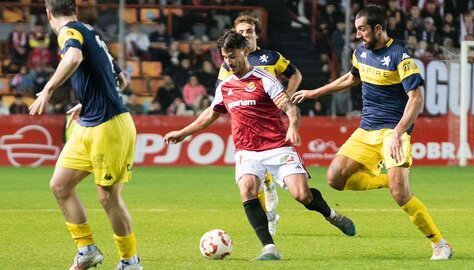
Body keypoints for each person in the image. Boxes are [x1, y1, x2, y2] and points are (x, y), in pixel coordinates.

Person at [164, 31, 356, 261]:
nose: (229, 62)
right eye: (225, 57)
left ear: (245, 52)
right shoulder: (225, 87)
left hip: (276, 145)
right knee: (247, 190)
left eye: (233, 56)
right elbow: (210, 114)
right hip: (247, 150)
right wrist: (183, 133)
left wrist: (293, 127)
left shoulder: (264, 79)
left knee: (302, 194)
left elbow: (290, 107)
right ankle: (269, 248)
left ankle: (331, 215)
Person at [291, 5, 452, 260]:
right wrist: (314, 92)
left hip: (393, 132)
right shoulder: (361, 53)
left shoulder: (400, 56)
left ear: (378, 28)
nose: (358, 34)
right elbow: (351, 78)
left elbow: (416, 99)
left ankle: (439, 243)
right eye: (356, 29)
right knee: (335, 178)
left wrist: (399, 132)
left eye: (362, 29)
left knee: (401, 195)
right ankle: (388, 180)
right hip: (366, 130)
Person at [28, 1, 143, 269]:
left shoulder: (68, 31)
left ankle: (130, 262)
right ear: (75, 9)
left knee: (107, 197)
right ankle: (87, 249)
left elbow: (74, 58)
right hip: (87, 124)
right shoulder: (90, 31)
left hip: (110, 125)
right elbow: (121, 79)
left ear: (48, 14)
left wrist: (47, 90)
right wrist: (89, 100)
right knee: (60, 185)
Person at [216, 14, 303, 236]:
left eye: (249, 31)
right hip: (246, 122)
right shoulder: (230, 63)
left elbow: (295, 75)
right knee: (253, 179)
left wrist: (286, 97)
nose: (244, 35)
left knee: (268, 175)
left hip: (270, 120)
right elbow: (221, 92)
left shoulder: (271, 57)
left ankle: (272, 201)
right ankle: (270, 217)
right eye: (240, 32)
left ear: (256, 34)